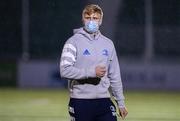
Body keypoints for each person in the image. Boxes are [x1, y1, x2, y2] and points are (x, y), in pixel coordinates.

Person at [60, 4, 128, 121]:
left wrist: (120, 103)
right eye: (88, 18)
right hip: (80, 101)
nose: (91, 21)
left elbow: (114, 76)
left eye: (95, 18)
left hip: (104, 101)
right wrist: (91, 72)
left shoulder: (108, 44)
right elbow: (64, 70)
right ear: (83, 19)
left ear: (100, 20)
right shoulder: (72, 42)